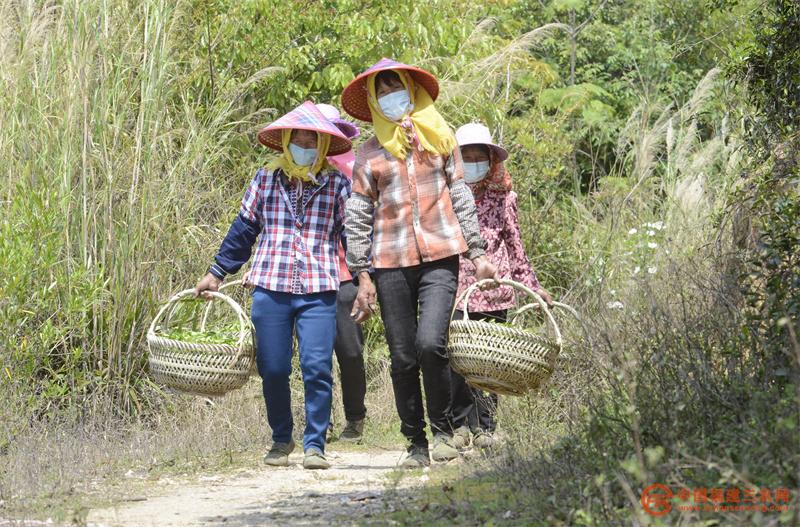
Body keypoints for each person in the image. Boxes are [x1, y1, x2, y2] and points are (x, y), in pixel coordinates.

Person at [341, 58, 498, 468]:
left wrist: (478, 254)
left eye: (398, 89)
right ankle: (416, 442)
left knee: (432, 343)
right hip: (390, 262)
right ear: (376, 103)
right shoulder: (369, 154)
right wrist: (362, 275)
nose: (392, 98)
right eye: (384, 93)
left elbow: (461, 197)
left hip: (440, 256)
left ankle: (445, 430)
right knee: (403, 355)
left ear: (413, 93)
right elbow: (357, 215)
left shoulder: (440, 140)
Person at [194, 101, 352, 470]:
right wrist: (217, 272)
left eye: (311, 138)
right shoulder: (265, 179)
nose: (303, 143)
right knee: (273, 366)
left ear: (323, 144)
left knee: (316, 366)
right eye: (296, 137)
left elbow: (352, 236)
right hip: (270, 284)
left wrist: (365, 279)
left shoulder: (337, 184)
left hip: (318, 288)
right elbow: (244, 230)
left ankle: (315, 444)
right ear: (284, 141)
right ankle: (281, 438)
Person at [450, 122, 553, 450]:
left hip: (495, 292)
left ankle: (485, 427)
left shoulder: (504, 196)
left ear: (491, 161)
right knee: (456, 359)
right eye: (467, 156)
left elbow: (516, 245)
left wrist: (533, 287)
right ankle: (459, 425)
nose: (474, 162)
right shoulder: (445, 196)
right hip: (455, 291)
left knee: (490, 364)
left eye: (480, 157)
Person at [316, 103, 368, 443]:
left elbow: (363, 224)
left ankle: (355, 417)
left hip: (345, 273)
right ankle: (322, 422)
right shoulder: (295, 174)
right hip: (309, 277)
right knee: (316, 356)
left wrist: (367, 274)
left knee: (349, 351)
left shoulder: (354, 170)